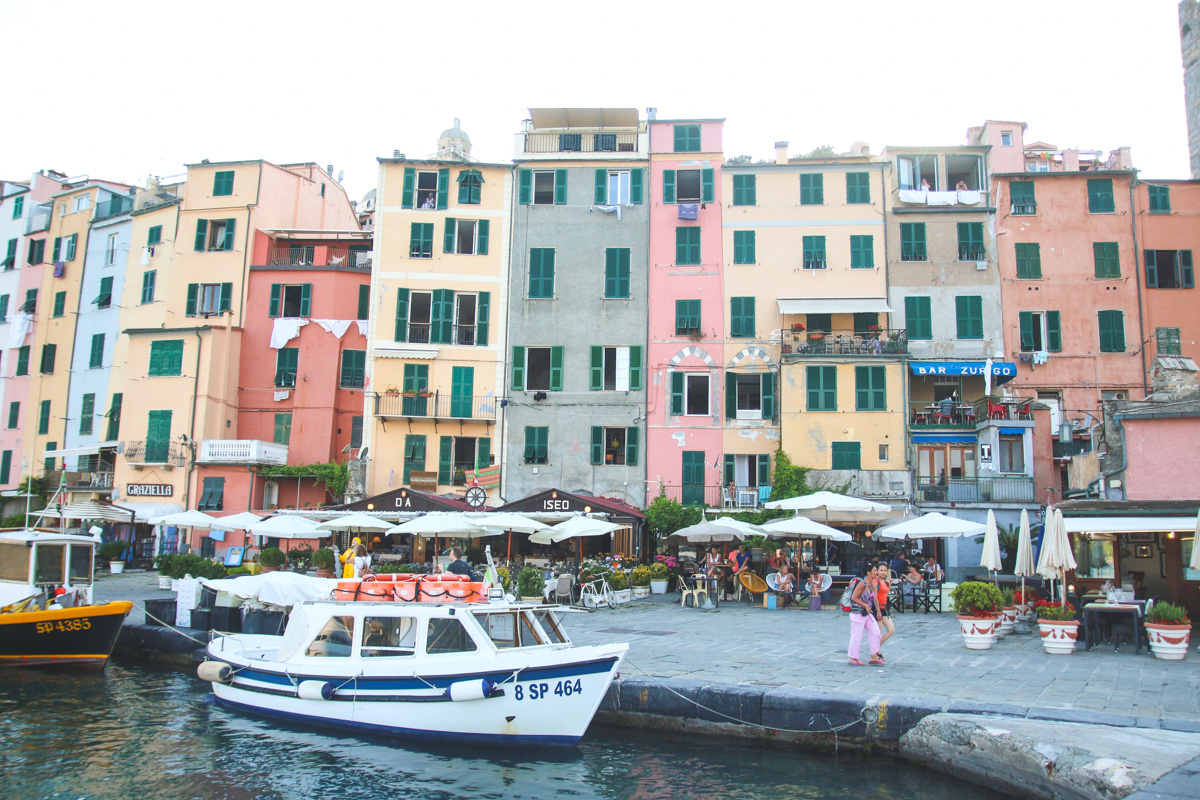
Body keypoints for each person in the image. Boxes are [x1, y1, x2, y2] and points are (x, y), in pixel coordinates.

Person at [847, 565, 884, 667]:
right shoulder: (862, 584)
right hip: (858, 612)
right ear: (868, 573)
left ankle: (874, 656)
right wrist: (865, 605)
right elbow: (854, 597)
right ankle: (853, 658)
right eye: (875, 571)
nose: (877, 572)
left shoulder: (871, 584)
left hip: (867, 613)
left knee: (876, 632)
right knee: (856, 636)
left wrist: (877, 611)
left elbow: (874, 598)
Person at [875, 567, 895, 655]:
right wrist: (878, 611)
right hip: (877, 608)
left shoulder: (886, 581)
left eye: (885, 571)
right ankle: (875, 651)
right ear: (878, 571)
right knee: (878, 632)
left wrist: (889, 585)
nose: (883, 572)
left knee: (891, 630)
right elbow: (875, 596)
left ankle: (876, 648)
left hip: (884, 607)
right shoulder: (876, 581)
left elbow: (885, 593)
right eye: (881, 570)